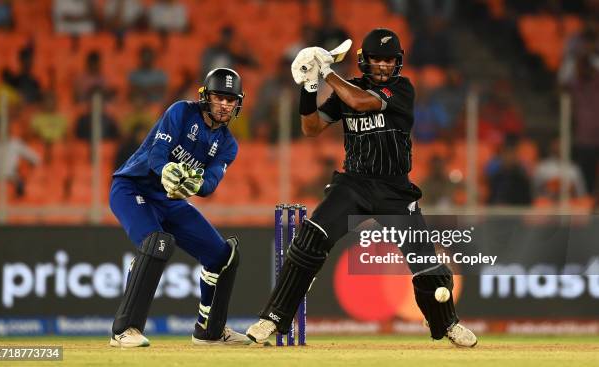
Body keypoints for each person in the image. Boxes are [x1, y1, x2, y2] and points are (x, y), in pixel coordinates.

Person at [245, 28, 477, 347]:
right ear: (364, 61)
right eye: (376, 60)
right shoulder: (347, 88)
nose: (382, 66)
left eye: (388, 60)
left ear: (397, 63)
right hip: (353, 184)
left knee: (427, 262)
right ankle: (271, 319)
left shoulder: (402, 89)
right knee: (309, 239)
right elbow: (311, 128)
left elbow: (359, 101)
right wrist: (309, 86)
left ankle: (448, 324)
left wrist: (325, 70)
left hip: (395, 191)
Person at [108, 68, 250, 347]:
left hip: (170, 200)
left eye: (230, 100)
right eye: (219, 97)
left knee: (223, 256)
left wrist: (192, 185)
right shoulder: (181, 112)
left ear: (238, 104)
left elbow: (209, 185)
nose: (224, 104)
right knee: (157, 242)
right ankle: (125, 330)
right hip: (132, 188)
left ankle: (209, 331)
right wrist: (168, 171)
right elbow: (156, 156)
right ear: (205, 97)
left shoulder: (228, 144)